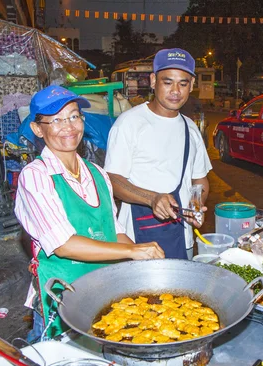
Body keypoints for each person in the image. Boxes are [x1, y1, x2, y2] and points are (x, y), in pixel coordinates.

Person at [14, 85, 165, 340]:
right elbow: (62, 244)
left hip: (104, 294)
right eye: (56, 120)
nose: (69, 126)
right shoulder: (36, 177)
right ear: (38, 129)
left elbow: (113, 231)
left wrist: (144, 261)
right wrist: (132, 251)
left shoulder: (98, 174)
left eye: (74, 116)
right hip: (62, 300)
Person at [105, 48, 212, 260]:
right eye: (167, 81)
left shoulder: (190, 128)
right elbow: (112, 179)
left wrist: (196, 207)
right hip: (138, 238)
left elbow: (200, 178)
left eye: (183, 83)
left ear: (191, 85)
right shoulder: (130, 123)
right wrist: (152, 198)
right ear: (153, 81)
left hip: (183, 237)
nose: (175, 90)